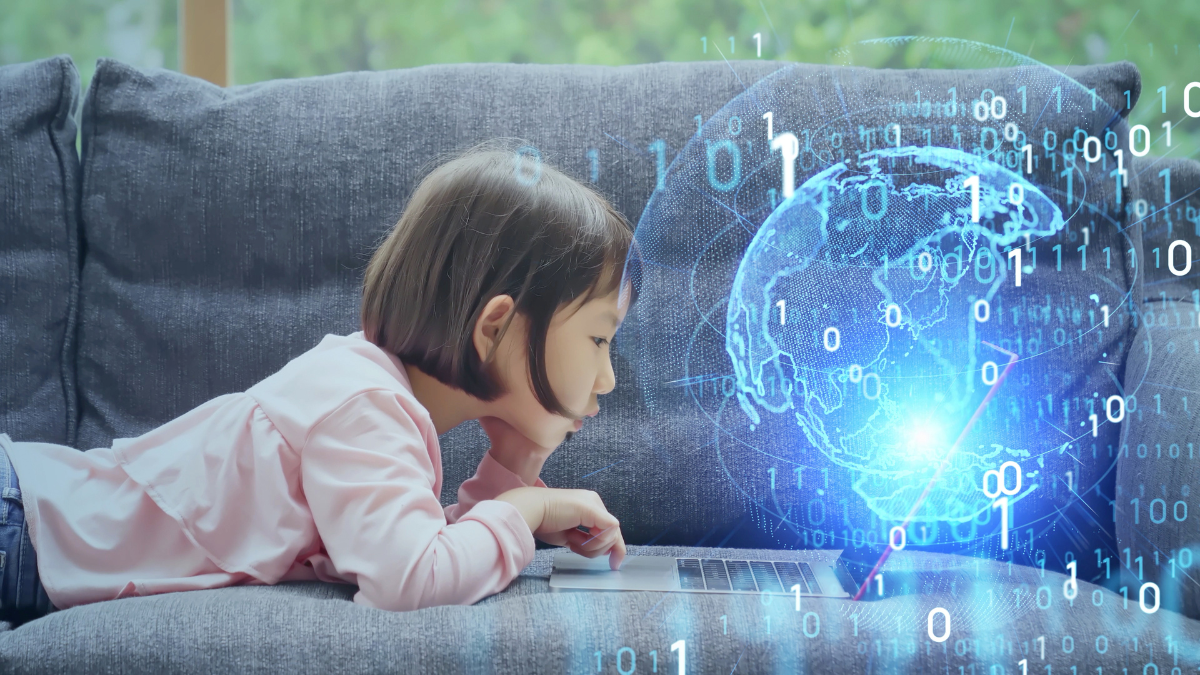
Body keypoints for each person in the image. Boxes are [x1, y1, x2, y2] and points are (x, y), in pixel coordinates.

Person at [0, 141, 639, 625]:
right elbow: (411, 581)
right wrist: (526, 511)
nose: (608, 378)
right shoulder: (363, 407)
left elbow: (419, 546)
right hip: (23, 524)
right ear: (496, 328)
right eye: (599, 339)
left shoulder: (374, 396)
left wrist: (512, 469)